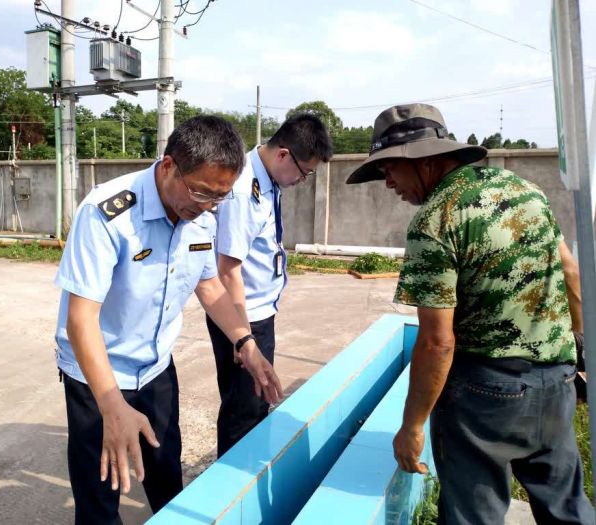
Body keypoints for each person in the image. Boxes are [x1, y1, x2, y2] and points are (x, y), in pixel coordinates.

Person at [346, 103, 593, 524]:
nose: (386, 182)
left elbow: (437, 341)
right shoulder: (524, 190)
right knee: (567, 506)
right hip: (557, 381)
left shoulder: (436, 220)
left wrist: (411, 427)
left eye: (389, 168)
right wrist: (579, 348)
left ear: (424, 162)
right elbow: (570, 271)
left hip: (486, 396)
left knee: (472, 514)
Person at [54, 115, 283, 524]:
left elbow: (210, 288)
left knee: (166, 475)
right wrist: (112, 406)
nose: (209, 206)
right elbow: (80, 319)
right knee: (102, 492)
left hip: (156, 368)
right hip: (97, 378)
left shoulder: (204, 216)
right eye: (201, 192)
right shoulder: (108, 214)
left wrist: (245, 343)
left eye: (220, 196)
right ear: (168, 167)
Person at [206, 114, 333, 457]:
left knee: (255, 406)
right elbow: (227, 268)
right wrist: (242, 337)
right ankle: (231, 493)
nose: (303, 180)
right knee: (243, 413)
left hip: (258, 312)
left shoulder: (267, 181)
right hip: (243, 316)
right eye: (304, 172)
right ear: (283, 155)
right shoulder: (244, 189)